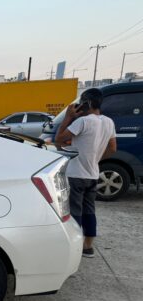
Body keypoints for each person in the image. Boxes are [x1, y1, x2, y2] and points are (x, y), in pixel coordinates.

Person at [55, 88, 117, 258]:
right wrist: (96, 159)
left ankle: (73, 250)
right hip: (93, 174)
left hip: (76, 174)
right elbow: (112, 148)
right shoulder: (109, 122)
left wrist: (68, 117)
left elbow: (59, 139)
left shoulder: (82, 122)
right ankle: (88, 247)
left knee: (74, 212)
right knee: (89, 211)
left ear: (87, 103)